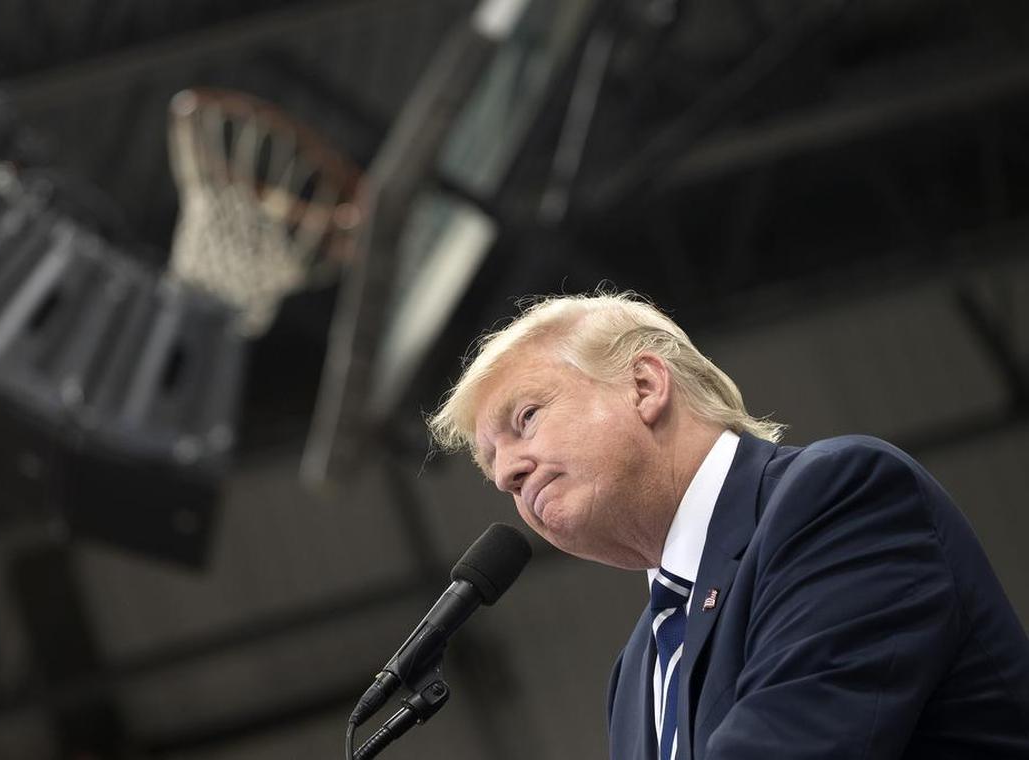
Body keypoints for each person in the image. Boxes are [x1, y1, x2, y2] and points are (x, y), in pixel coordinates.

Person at [426, 292, 1029, 760]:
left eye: (526, 418)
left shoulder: (838, 497)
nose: (507, 471)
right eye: (491, 464)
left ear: (644, 386)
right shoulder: (637, 671)